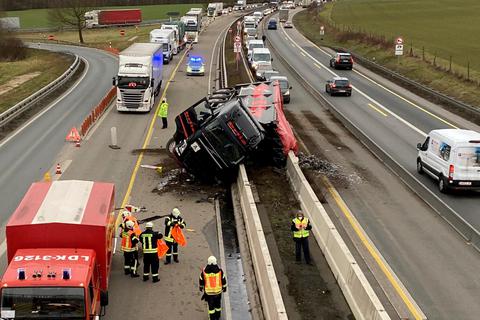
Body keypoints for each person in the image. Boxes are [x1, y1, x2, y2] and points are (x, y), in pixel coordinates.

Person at [199, 256, 227, 320]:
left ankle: (212, 318)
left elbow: (201, 280)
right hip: (218, 292)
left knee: (211, 307)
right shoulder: (219, 270)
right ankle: (218, 316)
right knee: (218, 305)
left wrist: (201, 287)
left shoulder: (204, 271)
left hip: (209, 293)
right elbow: (223, 279)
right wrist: (224, 287)